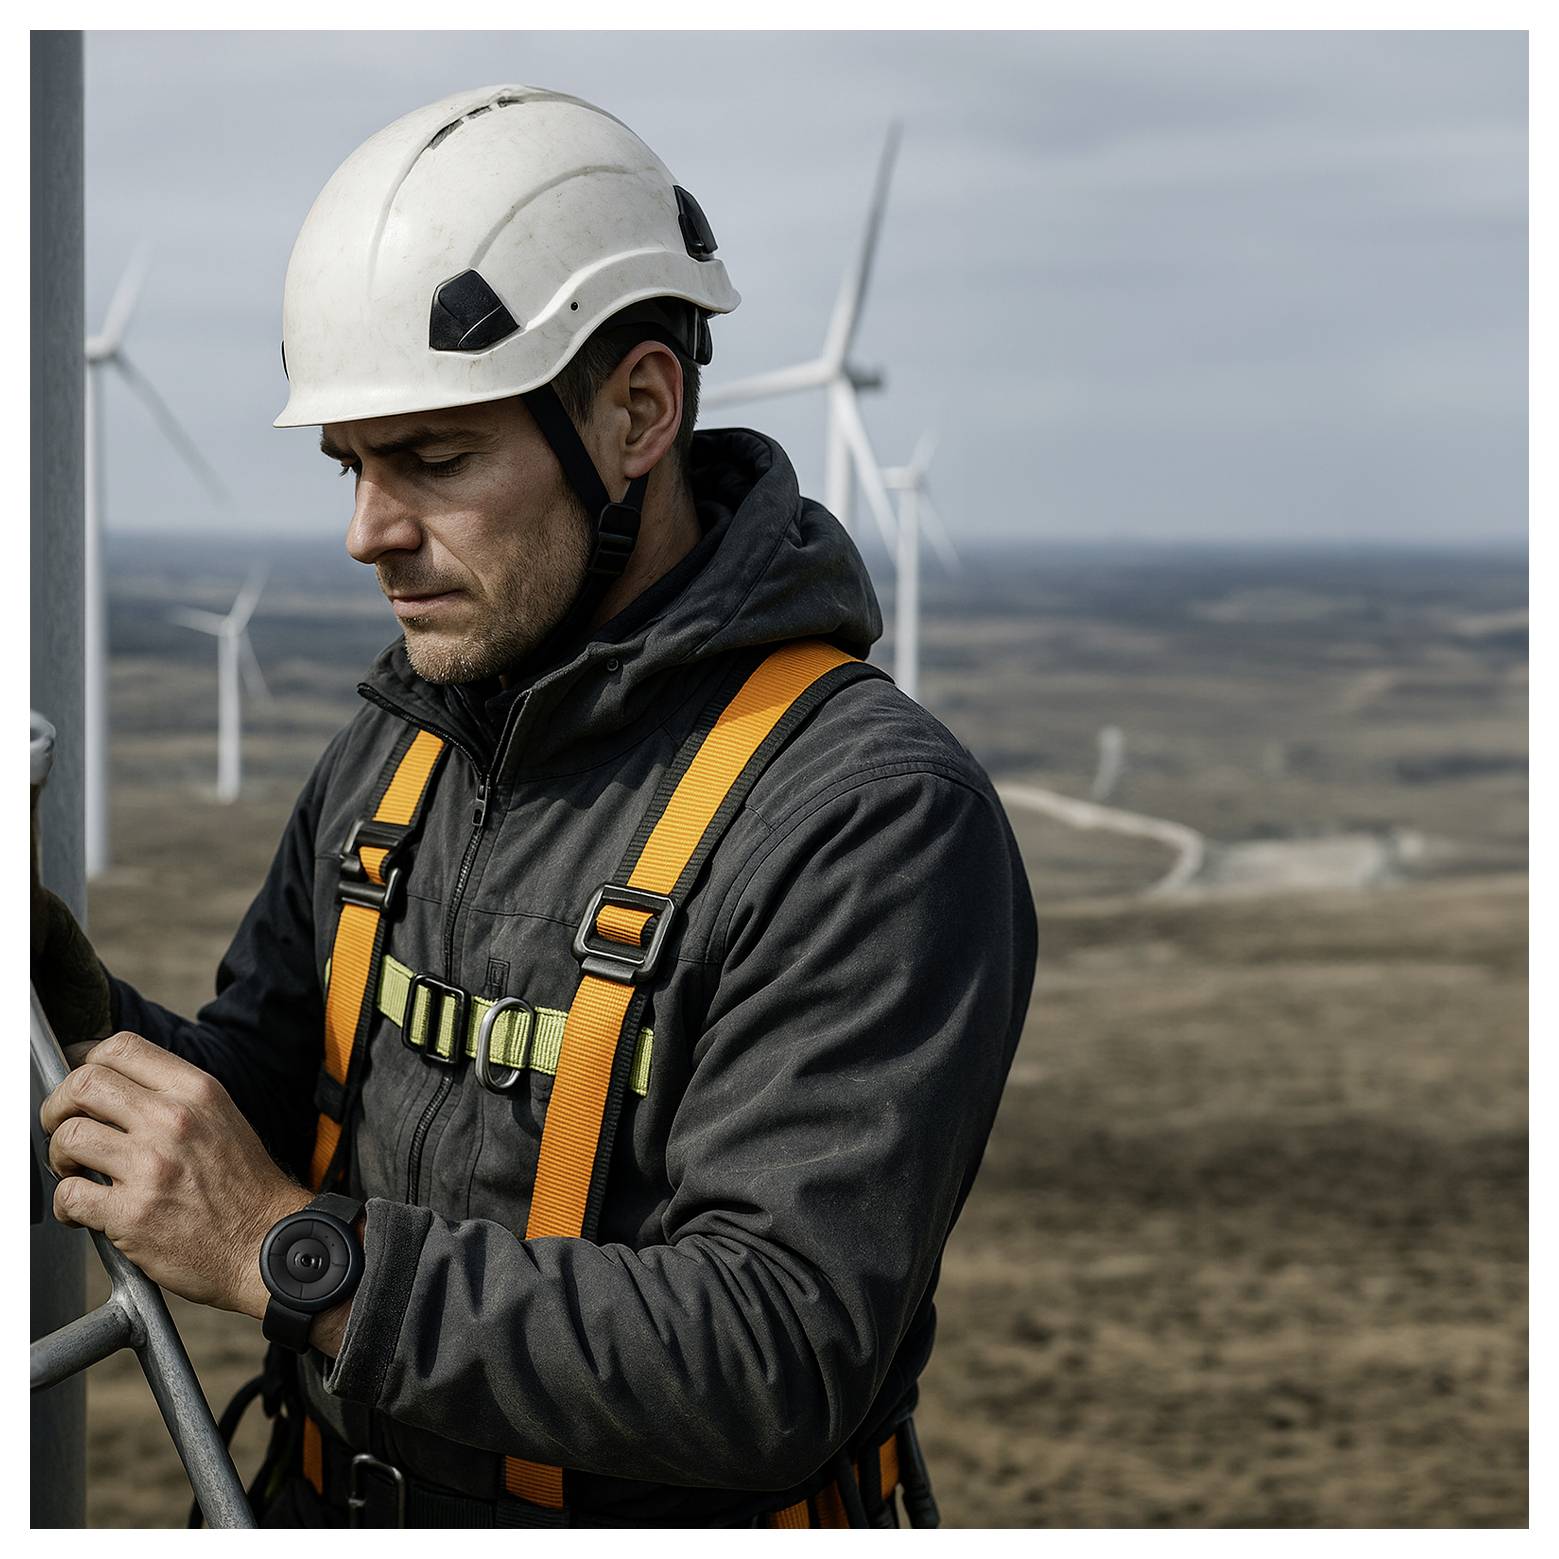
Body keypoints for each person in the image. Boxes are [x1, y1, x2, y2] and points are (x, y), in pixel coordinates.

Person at [35, 85, 1037, 1529]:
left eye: (433, 460)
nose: (367, 532)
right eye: (352, 466)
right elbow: (261, 1101)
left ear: (637, 413)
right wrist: (51, 984)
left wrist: (289, 1253)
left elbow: (773, 1353)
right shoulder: (403, 755)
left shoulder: (868, 820)